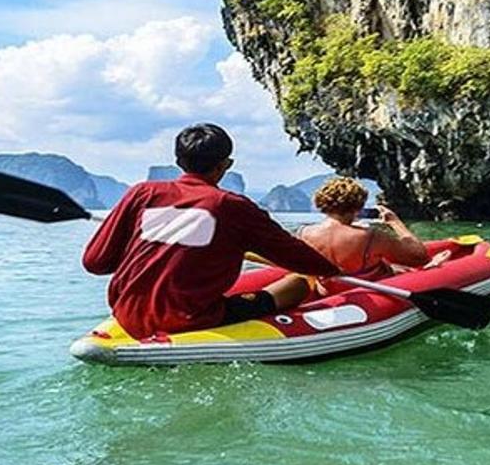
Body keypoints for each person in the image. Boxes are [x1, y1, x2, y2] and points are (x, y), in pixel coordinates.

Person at [82, 123, 340, 338]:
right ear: (226, 164)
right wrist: (332, 271)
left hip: (128, 313)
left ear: (178, 161)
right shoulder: (231, 206)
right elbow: (294, 255)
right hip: (190, 319)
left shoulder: (142, 192)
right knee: (296, 284)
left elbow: (95, 263)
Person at [297, 177, 431, 295]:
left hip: (327, 292)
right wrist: (395, 222)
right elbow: (420, 257)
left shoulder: (304, 233)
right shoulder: (371, 236)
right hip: (365, 293)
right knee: (401, 268)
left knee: (390, 265)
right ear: (358, 206)